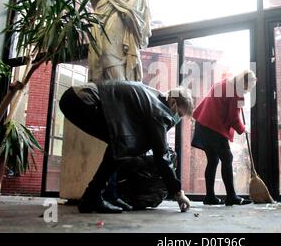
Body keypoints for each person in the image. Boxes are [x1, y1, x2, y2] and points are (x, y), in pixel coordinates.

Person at [59, 80, 193, 213]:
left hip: (75, 98)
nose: (177, 119)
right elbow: (161, 155)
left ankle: (99, 196)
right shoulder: (159, 110)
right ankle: (93, 197)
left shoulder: (154, 97)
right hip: (83, 101)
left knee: (120, 145)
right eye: (179, 115)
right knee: (121, 145)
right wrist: (178, 193)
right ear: (173, 102)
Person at [191, 70, 257, 206]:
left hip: (203, 125)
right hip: (214, 128)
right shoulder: (237, 93)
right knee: (227, 158)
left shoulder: (223, 83)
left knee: (213, 160)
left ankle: (210, 197)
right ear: (244, 83)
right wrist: (244, 129)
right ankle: (231, 196)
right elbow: (233, 118)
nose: (249, 89)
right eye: (249, 86)